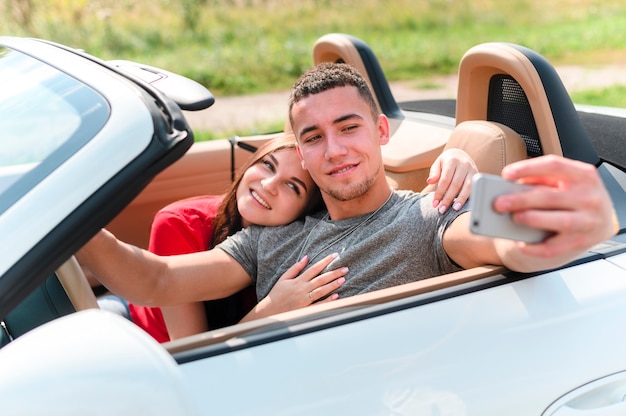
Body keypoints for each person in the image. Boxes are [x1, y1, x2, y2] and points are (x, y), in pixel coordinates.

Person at [77, 62, 617, 323]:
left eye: (349, 127)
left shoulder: (430, 213)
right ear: (303, 155)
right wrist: (70, 211)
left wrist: (569, 222)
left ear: (382, 131)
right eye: (313, 137)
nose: (334, 150)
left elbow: (506, 240)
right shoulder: (269, 241)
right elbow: (152, 278)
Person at [124, 133, 479, 341]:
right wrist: (272, 309)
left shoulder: (295, 241)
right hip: (157, 342)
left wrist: (458, 158)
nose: (267, 186)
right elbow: (197, 354)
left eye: (292, 186)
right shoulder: (180, 224)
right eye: (266, 165)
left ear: (308, 211)